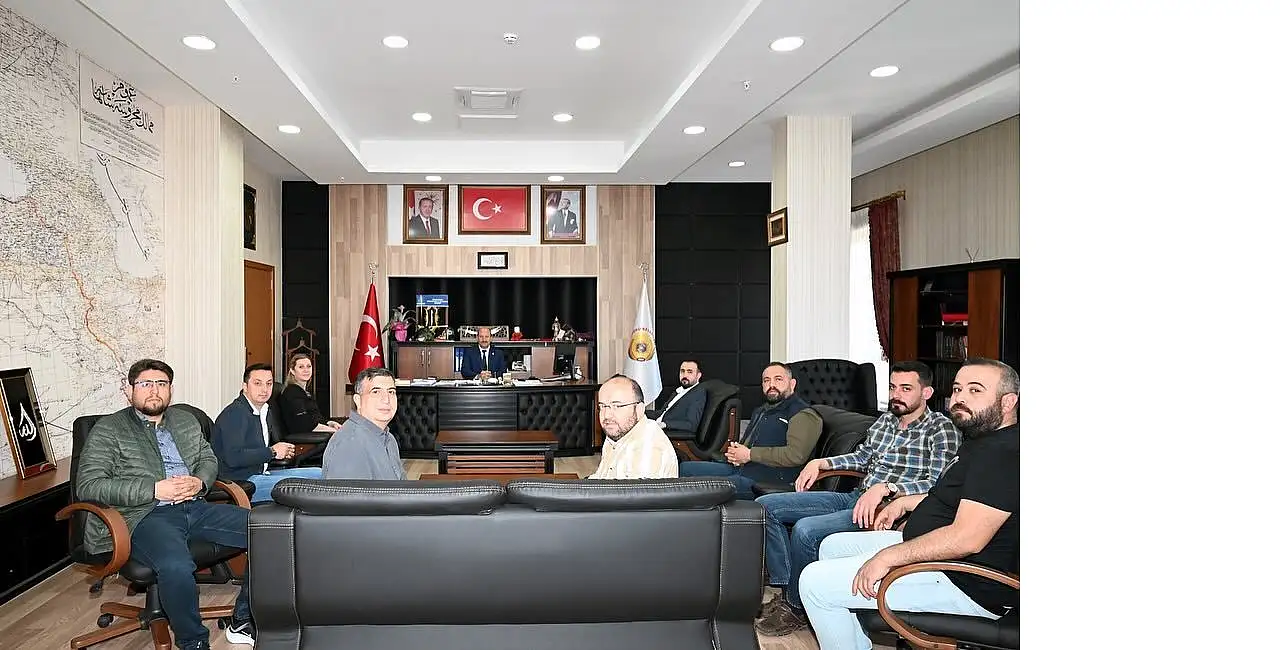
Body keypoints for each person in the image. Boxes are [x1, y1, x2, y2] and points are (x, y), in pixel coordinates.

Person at [799, 358, 1020, 650]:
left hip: (964, 582)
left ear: (1008, 402)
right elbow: (963, 499)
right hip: (941, 558)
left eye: (975, 390)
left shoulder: (1002, 453)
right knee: (832, 546)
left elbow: (967, 539)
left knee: (814, 583)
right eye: (957, 389)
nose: (960, 398)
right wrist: (905, 503)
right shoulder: (981, 439)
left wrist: (888, 558)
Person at [754, 361, 961, 636]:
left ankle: (796, 608)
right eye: (892, 387)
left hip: (886, 509)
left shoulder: (941, 429)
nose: (896, 395)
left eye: (906, 388)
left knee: (806, 531)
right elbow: (862, 457)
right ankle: (788, 588)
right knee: (765, 507)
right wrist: (822, 463)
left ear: (926, 393)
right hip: (856, 496)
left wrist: (889, 488)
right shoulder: (886, 420)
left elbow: (937, 483)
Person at [76, 359, 256, 650]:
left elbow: (208, 458)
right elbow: (89, 485)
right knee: (176, 565)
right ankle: (193, 642)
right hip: (144, 515)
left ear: (171, 389)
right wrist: (153, 489)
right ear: (129, 390)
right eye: (145, 384)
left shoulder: (185, 420)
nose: (154, 390)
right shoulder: (109, 429)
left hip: (195, 507)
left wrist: (200, 482)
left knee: (270, 531)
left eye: (161, 384)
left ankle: (243, 619)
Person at [678, 362, 812, 499]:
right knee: (685, 469)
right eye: (766, 380)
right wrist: (736, 453)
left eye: (778, 379)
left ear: (792, 384)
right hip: (742, 468)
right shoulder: (761, 411)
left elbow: (796, 455)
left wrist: (749, 454)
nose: (771, 384)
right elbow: (747, 445)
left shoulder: (801, 414)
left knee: (700, 489)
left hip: (767, 480)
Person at [211, 363, 323, 504]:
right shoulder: (235, 414)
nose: (264, 389)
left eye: (269, 384)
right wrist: (273, 452)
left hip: (262, 473)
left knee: (321, 473)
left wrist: (281, 450)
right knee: (313, 487)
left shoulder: (264, 410)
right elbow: (233, 457)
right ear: (245, 386)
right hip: (242, 483)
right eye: (258, 383)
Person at [322, 367, 407, 480]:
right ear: (358, 400)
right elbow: (348, 491)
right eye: (376, 392)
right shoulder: (349, 445)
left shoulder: (389, 438)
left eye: (391, 392)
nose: (386, 399)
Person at [588, 375, 679, 479]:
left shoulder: (648, 449)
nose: (607, 415)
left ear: (639, 409)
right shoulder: (618, 431)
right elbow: (602, 477)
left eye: (617, 406)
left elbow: (628, 491)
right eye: (603, 406)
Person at [278, 351, 342, 434]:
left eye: (309, 366)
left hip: (312, 434)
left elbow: (316, 418)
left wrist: (330, 423)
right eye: (301, 367)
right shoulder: (292, 392)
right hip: (302, 437)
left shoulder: (305, 393)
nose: (306, 370)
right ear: (292, 371)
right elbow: (305, 424)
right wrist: (335, 431)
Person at [644, 359, 708, 432]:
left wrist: (665, 424)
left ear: (698, 375)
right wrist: (641, 411)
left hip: (668, 432)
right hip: (656, 426)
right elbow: (661, 413)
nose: (685, 375)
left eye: (689, 372)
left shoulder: (698, 394)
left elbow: (691, 424)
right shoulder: (679, 391)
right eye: (682, 371)